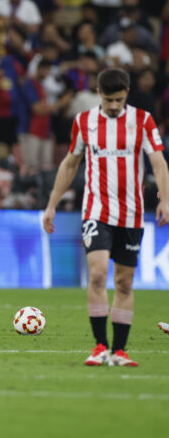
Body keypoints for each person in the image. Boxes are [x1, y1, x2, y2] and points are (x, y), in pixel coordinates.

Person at [43, 68, 169, 367]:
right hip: (96, 211)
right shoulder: (84, 121)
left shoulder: (143, 120)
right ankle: (100, 346)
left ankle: (120, 351)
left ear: (127, 93)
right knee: (98, 274)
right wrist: (52, 205)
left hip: (132, 214)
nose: (114, 105)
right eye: (109, 99)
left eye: (120, 100)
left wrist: (165, 196)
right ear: (99, 93)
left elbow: (158, 162)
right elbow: (70, 163)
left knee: (124, 283)